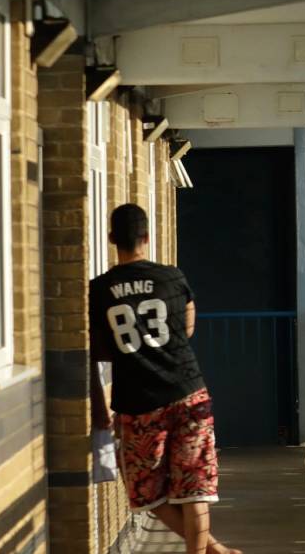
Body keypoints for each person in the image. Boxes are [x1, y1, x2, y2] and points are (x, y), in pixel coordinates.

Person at [90, 203, 240, 554]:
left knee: (146, 494)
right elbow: (187, 326)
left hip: (138, 403)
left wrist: (132, 354)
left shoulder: (99, 290)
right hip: (188, 392)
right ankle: (212, 551)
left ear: (111, 238)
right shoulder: (172, 278)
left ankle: (216, 551)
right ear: (146, 237)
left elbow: (97, 349)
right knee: (195, 488)